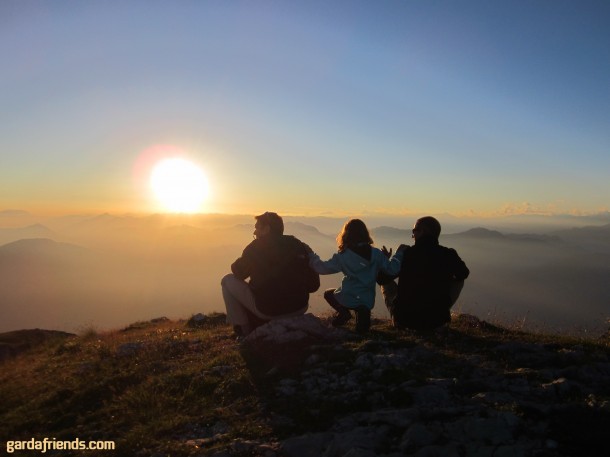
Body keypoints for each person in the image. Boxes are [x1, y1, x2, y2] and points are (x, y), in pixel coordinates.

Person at [221, 212, 320, 337]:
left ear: (267, 229)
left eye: (257, 227)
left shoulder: (255, 247)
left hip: (268, 310)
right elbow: (314, 286)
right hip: (299, 308)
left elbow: (238, 273)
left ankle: (244, 330)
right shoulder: (300, 245)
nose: (255, 232)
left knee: (227, 280)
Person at [308, 219, 404, 334]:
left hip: (347, 295)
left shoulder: (343, 256)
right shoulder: (376, 253)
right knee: (362, 332)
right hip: (366, 300)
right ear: (365, 234)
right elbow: (392, 269)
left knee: (328, 294)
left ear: (346, 235)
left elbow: (322, 268)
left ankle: (344, 313)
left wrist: (311, 256)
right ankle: (361, 317)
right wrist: (398, 254)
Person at [378, 216, 469, 332]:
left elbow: (381, 279)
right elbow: (463, 274)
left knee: (387, 281)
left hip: (405, 321)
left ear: (423, 232)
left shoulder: (407, 254)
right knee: (459, 281)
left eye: (414, 231)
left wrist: (389, 262)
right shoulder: (449, 254)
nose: (413, 235)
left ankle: (400, 318)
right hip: (437, 322)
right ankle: (439, 311)